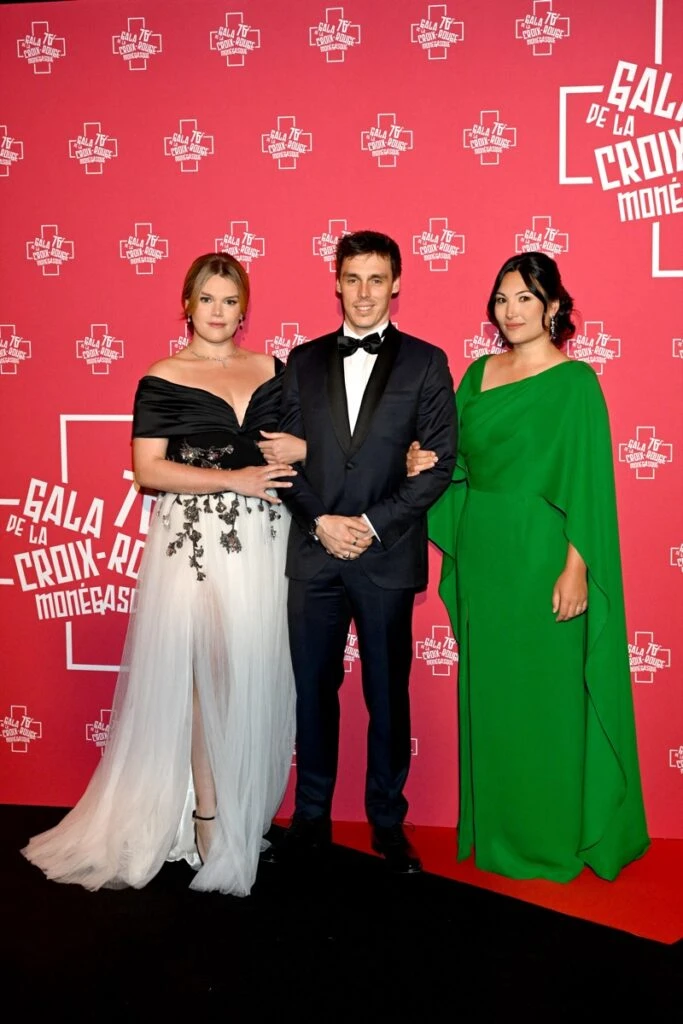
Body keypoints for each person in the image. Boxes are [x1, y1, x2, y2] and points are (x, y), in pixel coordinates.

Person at [22, 252, 302, 897]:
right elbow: (149, 470)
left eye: (229, 300)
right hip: (196, 541)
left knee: (249, 674)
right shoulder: (163, 376)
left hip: (266, 540)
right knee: (206, 674)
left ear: (243, 308)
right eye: (207, 299)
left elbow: (301, 446)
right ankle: (206, 816)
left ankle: (242, 810)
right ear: (187, 305)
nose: (218, 312)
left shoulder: (273, 370)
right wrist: (234, 479)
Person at [427, 251, 650, 882]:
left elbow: (588, 482)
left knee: (547, 699)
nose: (511, 310)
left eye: (524, 298)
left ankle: (552, 834)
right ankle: (498, 830)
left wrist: (577, 567)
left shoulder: (576, 384)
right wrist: (424, 463)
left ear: (552, 306)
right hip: (485, 553)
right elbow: (454, 460)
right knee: (494, 697)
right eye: (502, 299)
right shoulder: (477, 374)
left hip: (545, 554)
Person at [263, 229, 457, 875]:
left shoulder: (426, 362)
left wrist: (370, 525)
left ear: (396, 284)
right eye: (353, 279)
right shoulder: (302, 360)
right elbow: (281, 457)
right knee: (313, 690)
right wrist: (320, 520)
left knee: (387, 694)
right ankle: (311, 817)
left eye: (377, 279)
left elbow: (437, 464)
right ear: (337, 284)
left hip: (385, 554)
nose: (365, 292)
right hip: (314, 551)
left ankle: (387, 822)